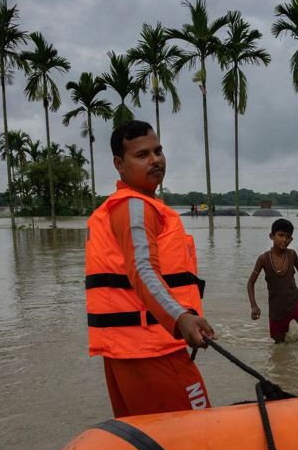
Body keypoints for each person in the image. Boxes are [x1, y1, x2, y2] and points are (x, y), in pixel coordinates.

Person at [85, 120, 216, 418]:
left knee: (150, 442)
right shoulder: (134, 206)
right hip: (152, 351)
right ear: (119, 164)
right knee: (200, 430)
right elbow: (142, 269)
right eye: (142, 155)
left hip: (127, 353)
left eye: (158, 151)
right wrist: (180, 317)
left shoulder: (133, 206)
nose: (155, 160)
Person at [247, 218, 298, 343]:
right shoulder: (263, 259)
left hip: (295, 301)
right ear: (272, 236)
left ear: (291, 239)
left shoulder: (291, 255)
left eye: (287, 237)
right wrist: (254, 306)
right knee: (279, 344)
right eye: (280, 235)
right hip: (276, 308)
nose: (284, 239)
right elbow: (250, 283)